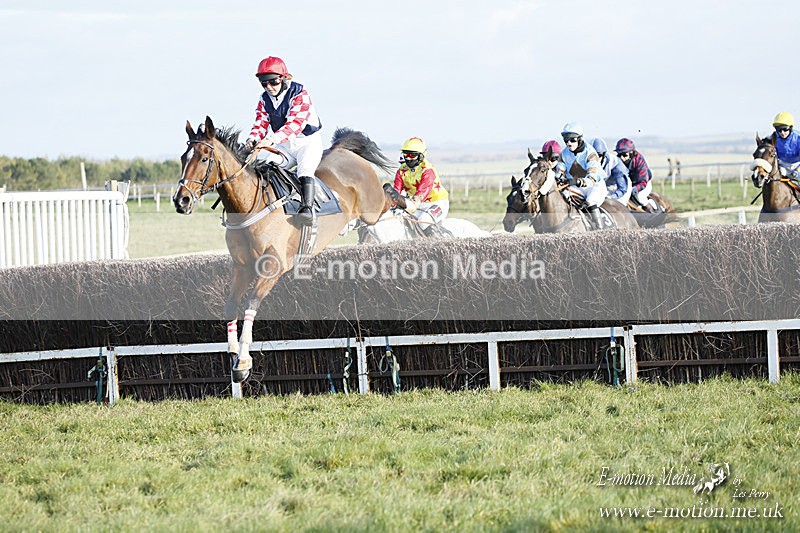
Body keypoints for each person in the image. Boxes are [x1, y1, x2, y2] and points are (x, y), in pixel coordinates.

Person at [244, 56, 323, 224]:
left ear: (283, 78)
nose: (269, 87)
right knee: (267, 166)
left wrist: (270, 140)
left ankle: (307, 210)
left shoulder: (299, 93)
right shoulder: (264, 99)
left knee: (305, 170)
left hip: (307, 142)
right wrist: (252, 139)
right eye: (264, 83)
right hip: (285, 145)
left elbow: (295, 125)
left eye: (273, 82)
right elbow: (260, 123)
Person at [393, 137, 449, 236]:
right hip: (418, 205)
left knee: (424, 220)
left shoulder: (428, 171)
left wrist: (402, 203)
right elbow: (396, 192)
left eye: (412, 155)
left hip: (436, 203)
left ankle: (439, 243)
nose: (408, 158)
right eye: (406, 155)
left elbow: (417, 200)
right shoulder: (401, 171)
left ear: (421, 156)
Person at [556, 123, 607, 230]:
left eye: (572, 140)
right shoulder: (564, 154)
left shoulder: (591, 153)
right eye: (566, 140)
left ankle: (600, 230)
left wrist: (576, 181)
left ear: (579, 139)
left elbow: (592, 179)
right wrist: (559, 179)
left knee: (591, 201)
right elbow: (559, 171)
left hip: (595, 186)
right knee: (563, 195)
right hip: (577, 187)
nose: (569, 143)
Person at [615, 137, 655, 212]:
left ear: (632, 153)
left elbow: (643, 181)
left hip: (643, 184)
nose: (621, 158)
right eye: (619, 155)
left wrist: (635, 189)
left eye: (624, 155)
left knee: (640, 197)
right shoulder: (618, 162)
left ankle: (652, 212)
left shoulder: (639, 161)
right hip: (628, 185)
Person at [592, 137, 631, 205]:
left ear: (604, 155)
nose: (596, 159)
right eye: (593, 156)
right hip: (604, 186)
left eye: (599, 155)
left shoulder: (616, 164)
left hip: (619, 187)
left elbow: (622, 189)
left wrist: (610, 197)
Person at [770, 112, 800, 179]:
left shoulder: (798, 138)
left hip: (797, 165)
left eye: (785, 129)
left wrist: (798, 171)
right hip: (782, 165)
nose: (782, 133)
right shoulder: (773, 137)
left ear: (790, 128)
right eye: (779, 130)